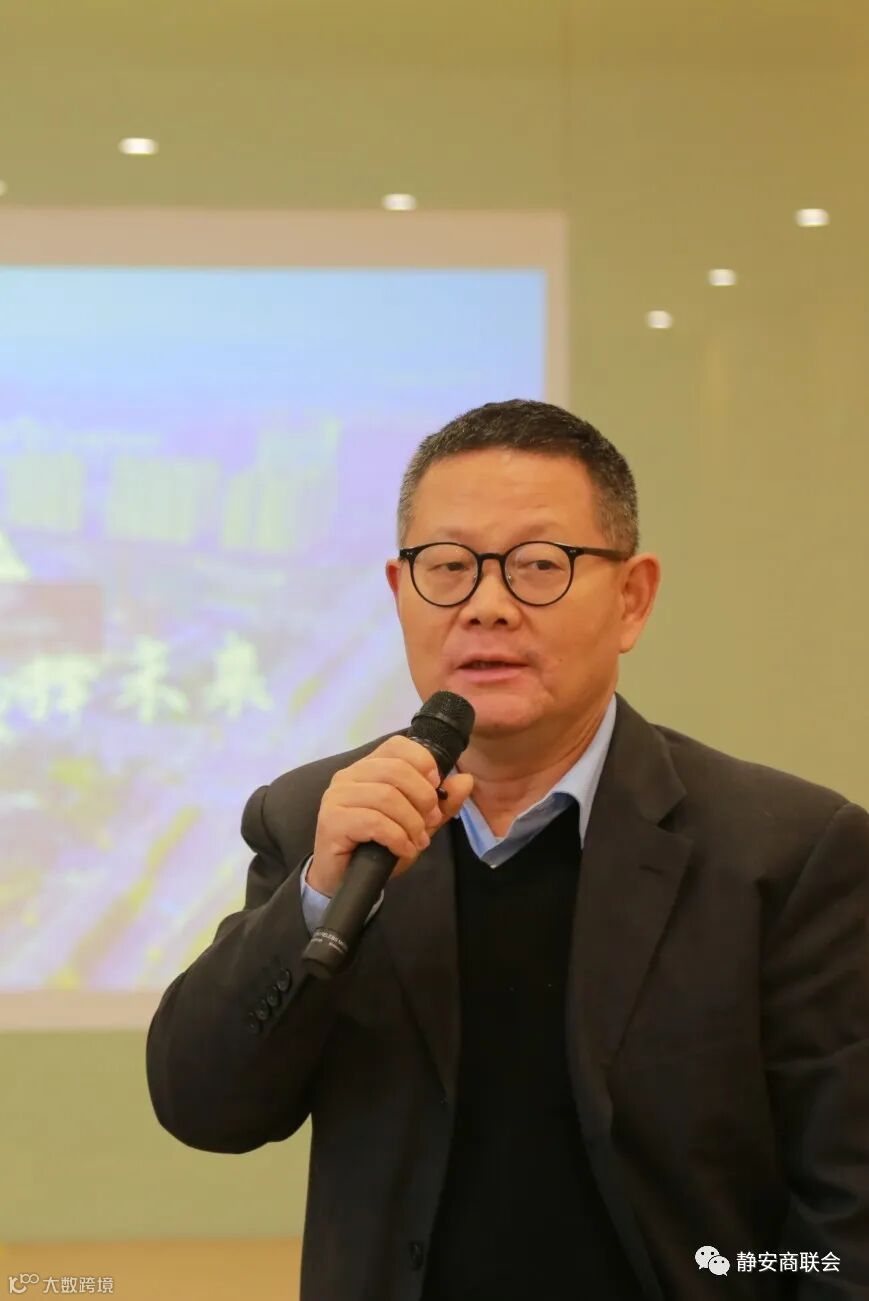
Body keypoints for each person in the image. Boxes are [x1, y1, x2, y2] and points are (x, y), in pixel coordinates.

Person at [146, 398, 869, 1301]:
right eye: (448, 567)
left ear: (632, 598)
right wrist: (319, 895)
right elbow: (204, 1106)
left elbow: (847, 1218)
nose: (486, 607)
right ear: (400, 592)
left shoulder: (786, 852)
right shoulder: (317, 820)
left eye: (538, 566)